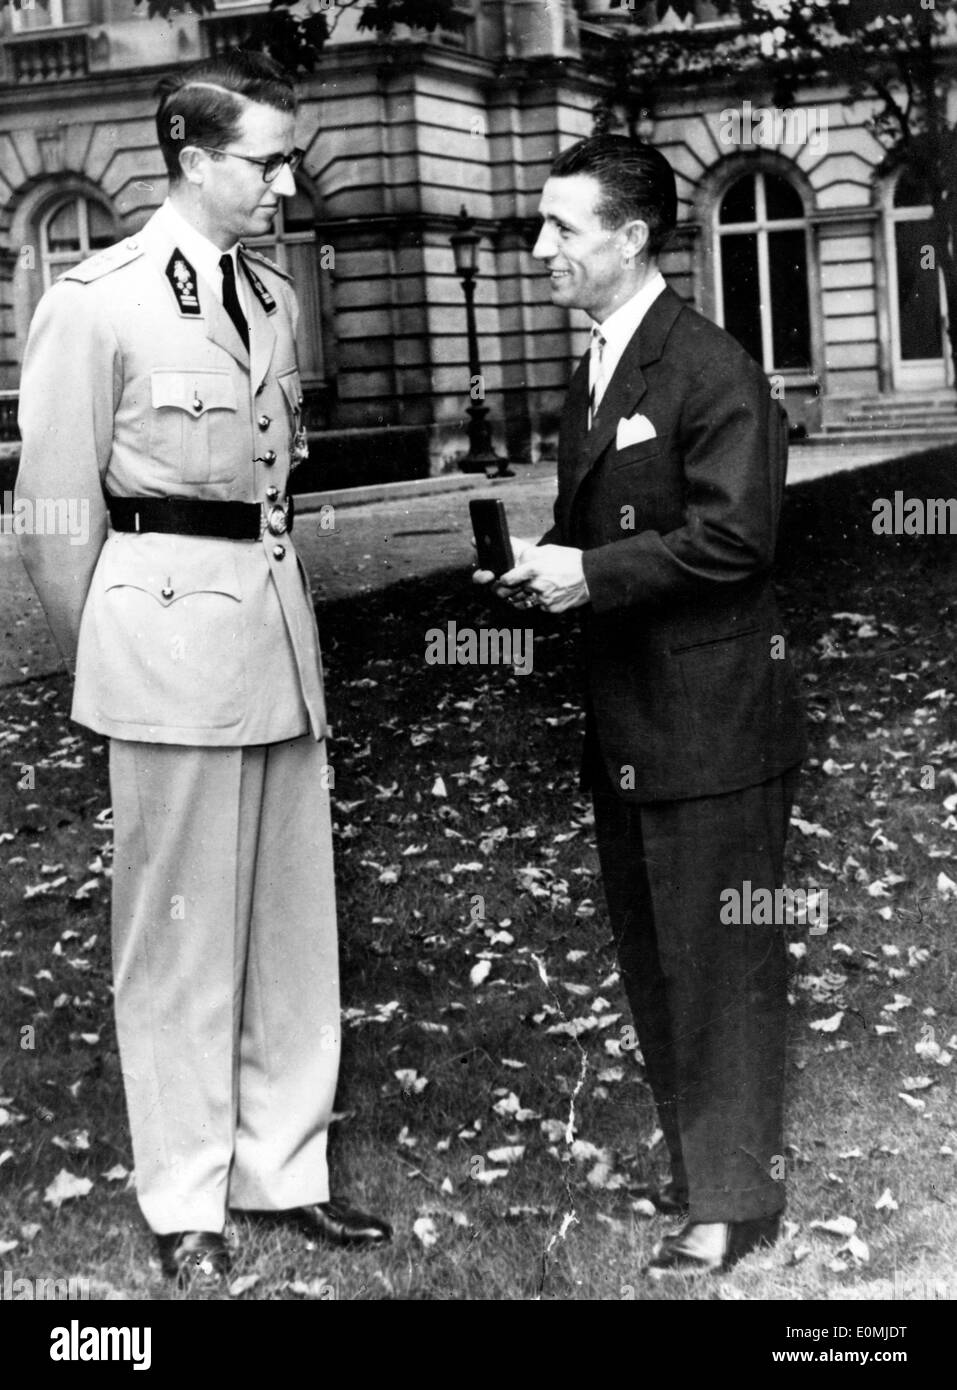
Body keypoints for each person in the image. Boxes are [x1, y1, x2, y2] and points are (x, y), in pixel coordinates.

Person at [16, 50, 390, 1289]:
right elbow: (56, 513)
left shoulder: (269, 295)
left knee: (292, 925)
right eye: (264, 158)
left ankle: (284, 1170)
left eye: (286, 157)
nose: (286, 179)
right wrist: (111, 653)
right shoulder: (97, 298)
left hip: (274, 633)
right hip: (163, 639)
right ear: (190, 156)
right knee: (175, 932)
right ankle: (185, 1194)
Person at [475, 134, 806, 1277]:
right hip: (634, 724)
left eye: (562, 228)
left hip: (710, 723)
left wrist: (591, 576)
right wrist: (546, 559)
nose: (539, 249)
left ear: (630, 236)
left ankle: (731, 1204)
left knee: (718, 962)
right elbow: (622, 523)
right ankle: (704, 1172)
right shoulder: (601, 369)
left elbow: (736, 535)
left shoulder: (710, 368)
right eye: (541, 225)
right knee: (664, 955)